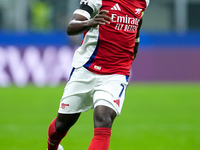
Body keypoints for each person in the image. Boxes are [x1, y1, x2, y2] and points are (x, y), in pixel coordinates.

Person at [47, 0, 150, 149]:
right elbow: (71, 27)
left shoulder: (143, 2)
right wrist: (91, 22)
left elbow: (138, 19)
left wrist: (135, 45)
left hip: (116, 73)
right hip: (86, 69)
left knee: (104, 119)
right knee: (62, 124)